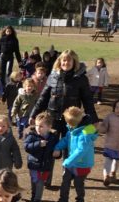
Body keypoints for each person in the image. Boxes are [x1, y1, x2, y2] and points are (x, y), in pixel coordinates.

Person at [29, 49, 98, 187]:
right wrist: (33, 114)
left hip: (71, 122)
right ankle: (46, 178)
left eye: (69, 60)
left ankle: (67, 176)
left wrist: (94, 119)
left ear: (74, 62)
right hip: (52, 119)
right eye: (64, 60)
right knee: (50, 148)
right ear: (60, 61)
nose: (66, 63)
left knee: (69, 149)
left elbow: (87, 101)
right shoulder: (53, 76)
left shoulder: (81, 79)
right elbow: (43, 98)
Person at [53, 106, 98, 202]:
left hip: (82, 164)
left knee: (78, 184)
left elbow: (81, 150)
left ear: (74, 123)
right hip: (72, 162)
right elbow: (66, 140)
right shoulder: (72, 130)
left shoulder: (85, 133)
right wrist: (57, 147)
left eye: (68, 123)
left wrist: (68, 161)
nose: (67, 124)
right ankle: (63, 200)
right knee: (65, 181)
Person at [23, 112, 60, 202]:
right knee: (34, 181)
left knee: (40, 182)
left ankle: (37, 200)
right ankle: (34, 195)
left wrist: (58, 153)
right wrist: (38, 144)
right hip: (34, 164)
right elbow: (26, 147)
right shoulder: (31, 135)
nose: (38, 128)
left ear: (49, 127)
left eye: (41, 126)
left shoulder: (53, 137)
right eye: (36, 125)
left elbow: (57, 148)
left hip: (45, 165)